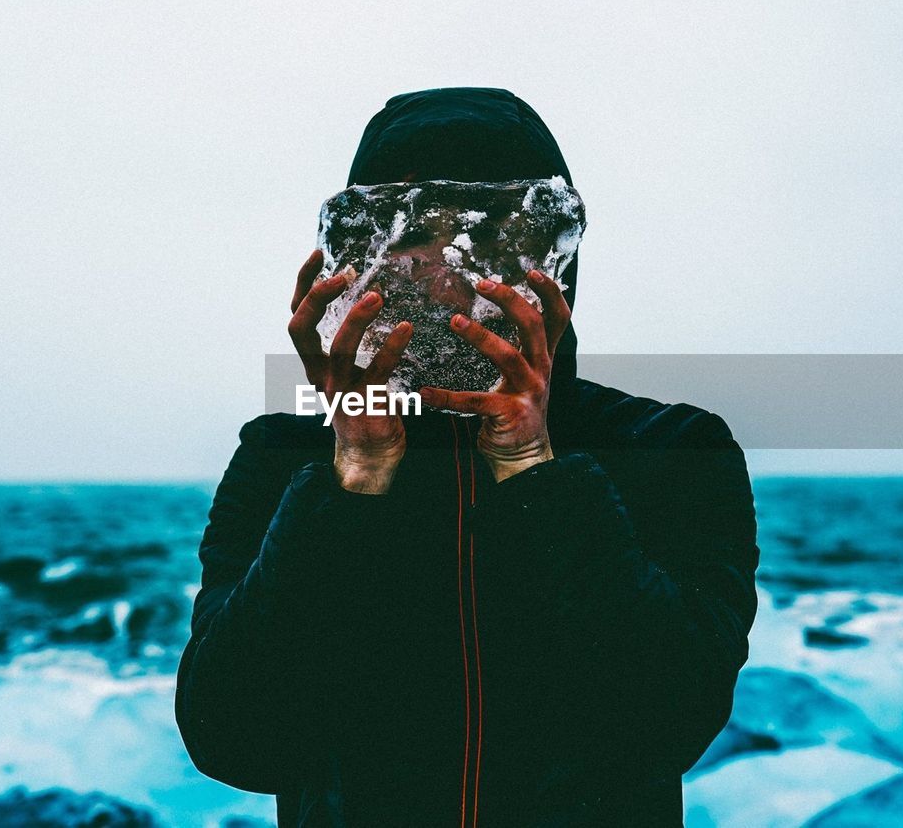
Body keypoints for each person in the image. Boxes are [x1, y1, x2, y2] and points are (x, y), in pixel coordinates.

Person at [175, 87, 760, 827]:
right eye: (414, 232)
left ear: (556, 255)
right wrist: (353, 475)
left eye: (488, 233)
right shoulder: (284, 455)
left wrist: (534, 469)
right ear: (360, 256)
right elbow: (236, 740)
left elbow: (667, 723)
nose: (447, 267)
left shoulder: (672, 451)